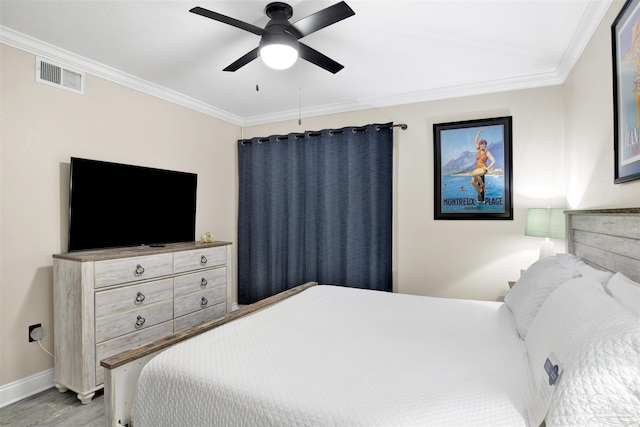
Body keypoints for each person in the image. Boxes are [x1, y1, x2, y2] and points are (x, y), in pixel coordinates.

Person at [470, 128, 495, 199]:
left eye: (484, 144)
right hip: (477, 168)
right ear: (480, 145)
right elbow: (475, 141)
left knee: (473, 174)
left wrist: (488, 168)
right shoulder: (478, 150)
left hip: (483, 168)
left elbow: (493, 161)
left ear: (486, 145)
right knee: (472, 182)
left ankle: (481, 184)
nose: (483, 145)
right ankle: (480, 193)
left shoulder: (487, 152)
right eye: (481, 144)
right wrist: (478, 133)